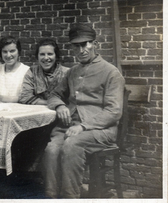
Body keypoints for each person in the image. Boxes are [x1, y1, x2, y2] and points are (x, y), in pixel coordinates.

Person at [42, 23, 125, 198]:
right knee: (51, 150)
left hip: (101, 130)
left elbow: (113, 112)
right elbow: (54, 95)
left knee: (72, 145)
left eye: (86, 43)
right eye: (76, 46)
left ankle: (70, 197)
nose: (82, 49)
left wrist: (83, 126)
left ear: (95, 43)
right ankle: (50, 196)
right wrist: (60, 105)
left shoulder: (111, 72)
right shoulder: (72, 72)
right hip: (70, 127)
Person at [19, 38, 69, 105]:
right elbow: (25, 97)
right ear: (37, 56)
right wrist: (52, 103)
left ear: (56, 56)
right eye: (42, 54)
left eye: (50, 54)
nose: (46, 58)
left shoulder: (67, 73)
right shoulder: (32, 72)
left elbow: (72, 98)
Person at [0, 36, 30, 103]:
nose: (8, 55)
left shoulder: (27, 71)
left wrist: (3, 98)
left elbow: (27, 98)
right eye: (5, 52)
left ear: (18, 51)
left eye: (12, 51)